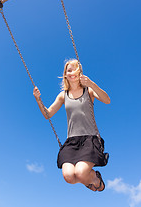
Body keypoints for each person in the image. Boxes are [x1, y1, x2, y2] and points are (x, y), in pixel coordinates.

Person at [33, 59, 110, 191]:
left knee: (80, 172)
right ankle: (87, 178)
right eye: (69, 70)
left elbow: (107, 100)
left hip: (89, 139)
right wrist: (38, 99)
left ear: (80, 72)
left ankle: (94, 178)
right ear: (65, 74)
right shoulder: (63, 96)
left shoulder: (88, 91)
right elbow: (47, 114)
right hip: (72, 141)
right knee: (69, 176)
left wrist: (91, 83)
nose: (72, 72)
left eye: (75, 69)